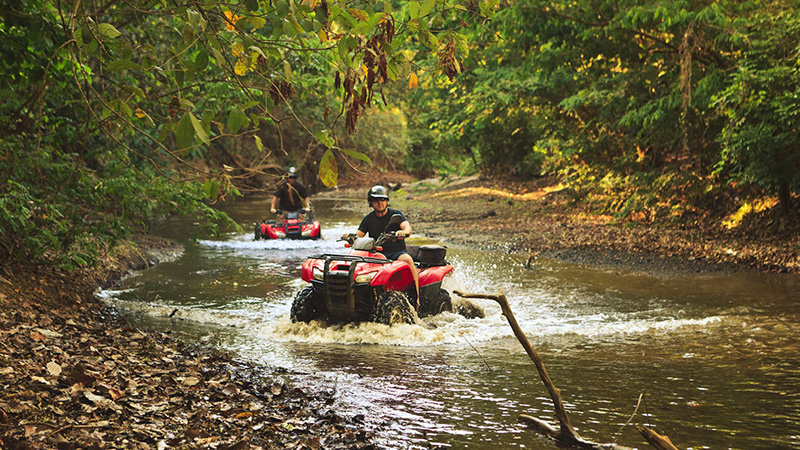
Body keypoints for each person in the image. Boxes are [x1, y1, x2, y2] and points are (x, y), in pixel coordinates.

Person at [357, 185, 419, 303]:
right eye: (376, 201)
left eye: (382, 200)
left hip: (396, 253)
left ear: (387, 201)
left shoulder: (396, 215)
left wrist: (403, 232)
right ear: (371, 203)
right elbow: (358, 235)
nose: (380, 203)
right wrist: (350, 238)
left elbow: (407, 228)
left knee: (407, 260)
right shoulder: (368, 219)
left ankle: (416, 297)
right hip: (377, 254)